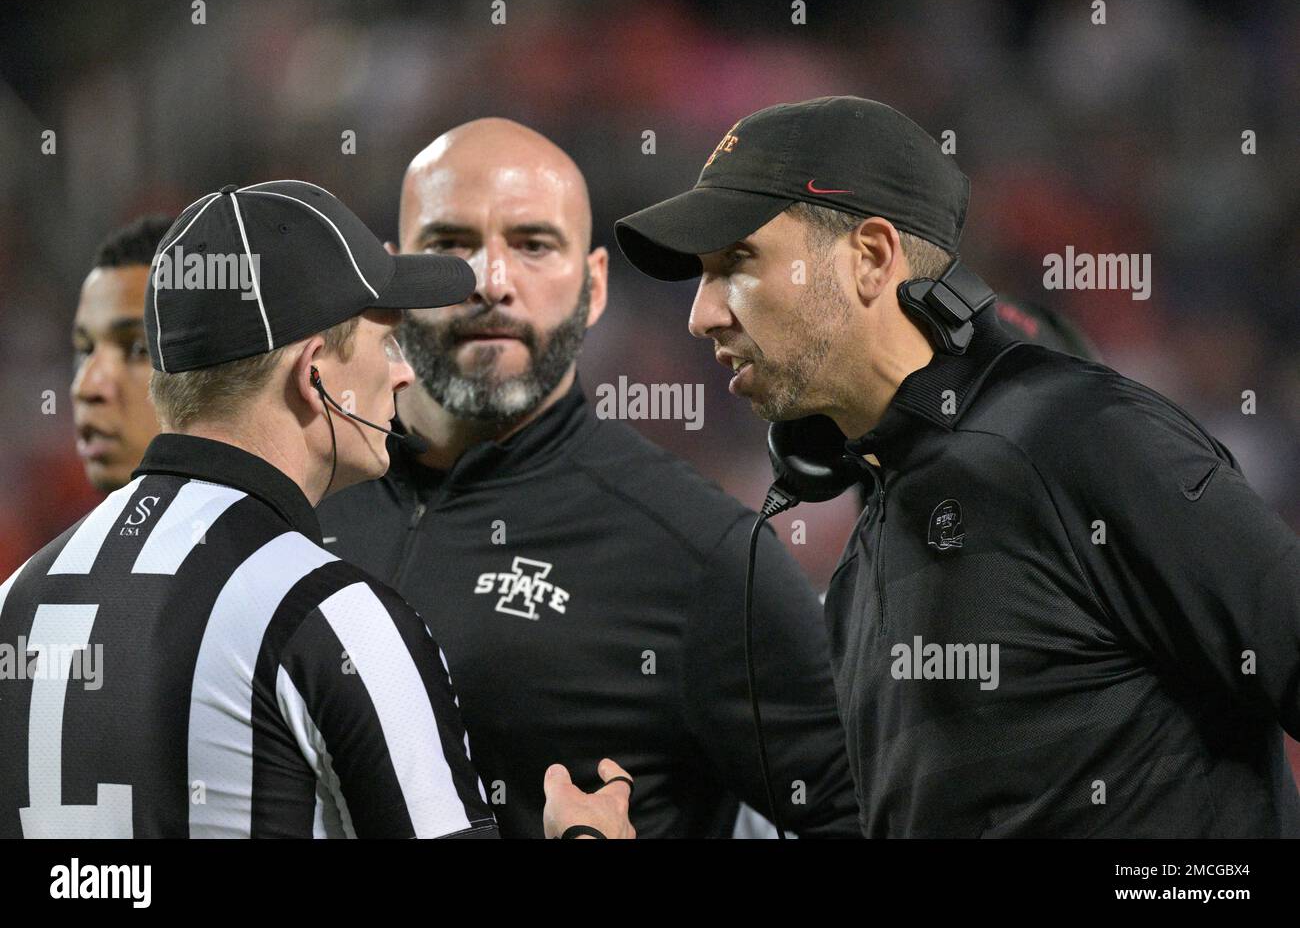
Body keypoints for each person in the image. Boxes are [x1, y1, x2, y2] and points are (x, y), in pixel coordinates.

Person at [616, 96, 1300, 836]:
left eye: (736, 263)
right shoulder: (865, 555)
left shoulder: (1078, 436)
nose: (701, 314)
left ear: (872, 258)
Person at [0, 180, 631, 839]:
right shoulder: (329, 614)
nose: (405, 375)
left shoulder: (15, 597)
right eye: (387, 346)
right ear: (315, 375)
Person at [316, 120, 859, 838]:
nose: (491, 283)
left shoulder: (702, 556)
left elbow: (859, 817)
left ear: (595, 285)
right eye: (450, 245)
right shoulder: (298, 505)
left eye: (534, 245)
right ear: (391, 276)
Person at [72, 215, 174, 492]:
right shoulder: (76, 534)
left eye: (138, 348)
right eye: (85, 350)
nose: (85, 387)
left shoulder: (286, 535)